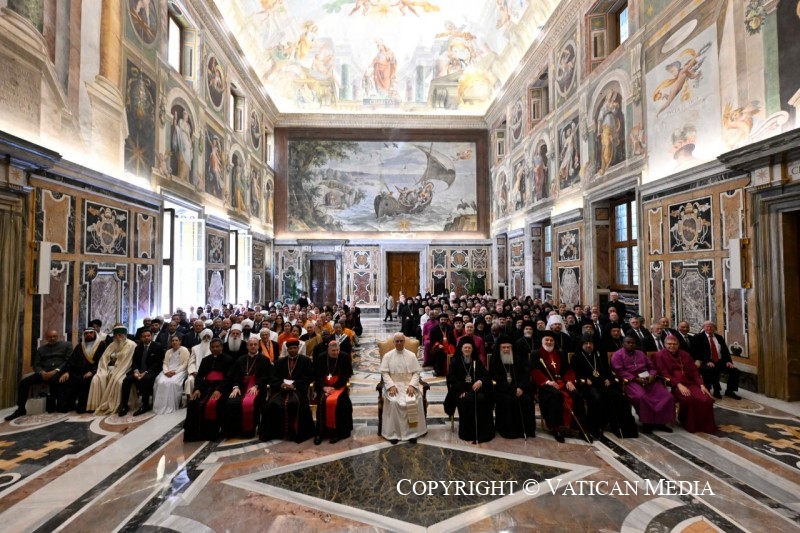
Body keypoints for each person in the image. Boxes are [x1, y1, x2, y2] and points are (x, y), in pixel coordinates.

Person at [572, 334, 637, 438]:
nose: (588, 345)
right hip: (588, 386)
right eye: (586, 343)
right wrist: (584, 378)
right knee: (596, 397)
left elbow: (608, 370)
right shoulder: (577, 357)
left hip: (602, 383)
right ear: (581, 345)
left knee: (620, 397)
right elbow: (575, 372)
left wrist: (609, 379)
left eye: (590, 343)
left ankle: (620, 426)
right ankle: (595, 426)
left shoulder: (599, 355)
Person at [611, 335, 676, 433]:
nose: (631, 344)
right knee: (641, 397)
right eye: (628, 343)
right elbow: (619, 371)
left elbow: (651, 367)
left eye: (633, 343)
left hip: (648, 380)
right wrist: (635, 379)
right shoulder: (617, 355)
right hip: (631, 381)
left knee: (667, 396)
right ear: (623, 344)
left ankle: (661, 423)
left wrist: (652, 375)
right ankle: (647, 423)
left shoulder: (640, 353)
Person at [530, 331, 587, 442]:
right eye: (547, 340)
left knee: (576, 394)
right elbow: (534, 371)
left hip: (562, 382)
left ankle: (580, 427)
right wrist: (547, 382)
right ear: (542, 341)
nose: (549, 342)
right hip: (546, 385)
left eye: (551, 340)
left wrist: (569, 381)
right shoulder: (535, 354)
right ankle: (555, 428)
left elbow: (568, 369)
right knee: (556, 395)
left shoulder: (560, 353)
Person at [653, 336, 717, 433]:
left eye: (674, 344)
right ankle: (690, 424)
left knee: (707, 399)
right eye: (669, 344)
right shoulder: (659, 355)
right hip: (673, 385)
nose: (672, 346)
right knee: (689, 399)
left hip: (690, 383)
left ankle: (705, 426)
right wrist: (678, 385)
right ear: (665, 344)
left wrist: (701, 385)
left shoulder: (685, 354)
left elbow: (694, 372)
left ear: (678, 345)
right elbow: (663, 373)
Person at [5, 330, 73, 420]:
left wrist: (56, 370)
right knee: (24, 382)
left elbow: (68, 361)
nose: (52, 338)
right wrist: (42, 372)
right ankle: (20, 409)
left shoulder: (67, 345)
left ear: (58, 336)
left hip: (59, 372)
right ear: (46, 338)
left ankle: (54, 407)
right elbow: (36, 364)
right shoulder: (41, 349)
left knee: (55, 380)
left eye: (54, 336)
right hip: (44, 373)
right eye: (50, 337)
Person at [262, 338, 315, 442]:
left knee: (294, 403)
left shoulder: (306, 361)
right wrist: (281, 384)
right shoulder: (279, 362)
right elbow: (273, 377)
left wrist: (294, 385)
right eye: (291, 348)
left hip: (297, 390)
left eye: (295, 348)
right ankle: (275, 432)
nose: (293, 350)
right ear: (287, 349)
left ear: (298, 348)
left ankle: (294, 433)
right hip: (281, 390)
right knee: (272, 403)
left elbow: (308, 376)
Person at [380, 333, 427, 443]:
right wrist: (391, 386)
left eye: (401, 341)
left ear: (404, 342)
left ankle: (412, 433)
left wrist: (412, 385)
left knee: (415, 400)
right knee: (394, 402)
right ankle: (393, 434)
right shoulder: (387, 356)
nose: (399, 343)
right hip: (394, 385)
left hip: (408, 384)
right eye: (397, 341)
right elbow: (384, 373)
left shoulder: (411, 355)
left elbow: (416, 373)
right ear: (393, 342)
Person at [444, 339, 494, 443]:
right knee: (467, 400)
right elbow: (451, 378)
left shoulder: (476, 361)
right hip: (461, 392)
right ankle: (468, 433)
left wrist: (480, 381)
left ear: (472, 350)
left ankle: (482, 432)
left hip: (475, 390)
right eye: (465, 348)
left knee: (482, 399)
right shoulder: (456, 361)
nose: (467, 349)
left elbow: (486, 375)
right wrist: (460, 390)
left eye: (469, 348)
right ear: (461, 349)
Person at [184, 338, 232, 441]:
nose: (215, 349)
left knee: (215, 404)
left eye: (217, 346)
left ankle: (212, 433)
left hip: (221, 388)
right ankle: (195, 434)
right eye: (213, 347)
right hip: (205, 387)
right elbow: (200, 376)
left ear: (221, 347)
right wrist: (197, 389)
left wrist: (219, 390)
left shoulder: (228, 359)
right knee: (193, 404)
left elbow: (228, 378)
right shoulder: (205, 360)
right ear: (210, 348)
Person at [488, 336, 536, 439]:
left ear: (511, 348)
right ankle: (508, 431)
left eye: (508, 347)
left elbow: (525, 375)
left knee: (527, 399)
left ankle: (526, 430)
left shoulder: (517, 359)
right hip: (502, 390)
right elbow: (497, 380)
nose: (506, 349)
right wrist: (512, 390)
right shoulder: (496, 361)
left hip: (518, 389)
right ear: (499, 348)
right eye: (503, 347)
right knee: (509, 400)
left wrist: (521, 387)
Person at [224, 337, 271, 438]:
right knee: (231, 402)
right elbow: (235, 375)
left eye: (255, 344)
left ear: (258, 346)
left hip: (258, 387)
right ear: (247, 346)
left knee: (253, 403)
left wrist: (256, 386)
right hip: (241, 387)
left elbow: (265, 376)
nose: (253, 346)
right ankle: (235, 431)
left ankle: (249, 431)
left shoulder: (264, 360)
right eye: (251, 344)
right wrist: (235, 387)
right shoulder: (240, 359)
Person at [87, 325, 137, 416]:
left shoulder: (131, 344)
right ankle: (95, 405)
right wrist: (105, 367)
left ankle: (120, 405)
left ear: (125, 335)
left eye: (120, 335)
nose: (118, 337)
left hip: (124, 368)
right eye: (116, 335)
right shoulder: (112, 344)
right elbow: (104, 358)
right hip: (109, 368)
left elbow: (127, 361)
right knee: (97, 378)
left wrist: (115, 366)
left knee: (119, 382)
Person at [313, 340, 354, 445]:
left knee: (341, 402)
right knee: (322, 401)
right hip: (324, 387)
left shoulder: (344, 356)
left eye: (337, 350)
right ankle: (320, 432)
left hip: (339, 386)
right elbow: (318, 375)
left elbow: (346, 375)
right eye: (333, 351)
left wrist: (334, 387)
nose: (335, 353)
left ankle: (338, 433)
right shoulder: (322, 357)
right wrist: (324, 387)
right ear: (328, 350)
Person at [118, 330, 166, 416]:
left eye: (148, 336)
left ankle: (145, 404)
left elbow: (157, 363)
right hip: (139, 371)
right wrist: (136, 371)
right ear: (141, 338)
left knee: (146, 379)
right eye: (144, 336)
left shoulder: (157, 346)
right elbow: (135, 362)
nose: (146, 338)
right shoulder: (138, 347)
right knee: (126, 380)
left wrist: (145, 372)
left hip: (152, 370)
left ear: (151, 336)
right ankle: (125, 405)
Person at [690, 321, 741, 400]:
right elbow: (696, 352)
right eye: (707, 326)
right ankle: (714, 390)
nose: (709, 328)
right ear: (704, 328)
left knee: (735, 371)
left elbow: (725, 351)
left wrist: (728, 361)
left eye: (711, 326)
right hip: (704, 361)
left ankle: (730, 391)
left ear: (714, 328)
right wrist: (707, 361)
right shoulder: (698, 337)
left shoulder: (719, 337)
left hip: (719, 361)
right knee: (711, 369)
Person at [59, 328, 106, 413]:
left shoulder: (101, 345)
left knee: (86, 380)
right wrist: (67, 372)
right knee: (66, 379)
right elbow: (72, 360)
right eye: (86, 333)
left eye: (91, 333)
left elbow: (102, 361)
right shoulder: (79, 346)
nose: (89, 335)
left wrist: (92, 371)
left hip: (93, 371)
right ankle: (69, 405)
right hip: (78, 371)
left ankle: (84, 406)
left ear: (95, 334)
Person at [152, 336, 191, 414]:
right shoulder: (168, 351)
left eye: (176, 340)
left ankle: (172, 404)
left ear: (180, 341)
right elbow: (165, 363)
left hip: (180, 371)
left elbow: (185, 363)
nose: (174, 342)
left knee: (172, 383)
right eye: (172, 340)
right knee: (160, 382)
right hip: (168, 370)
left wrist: (175, 372)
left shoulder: (184, 350)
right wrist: (166, 372)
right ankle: (160, 405)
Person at [185, 329, 214, 396]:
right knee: (190, 380)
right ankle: (190, 399)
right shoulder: (195, 348)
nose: (206, 339)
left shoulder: (213, 349)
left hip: (208, 372)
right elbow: (191, 362)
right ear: (201, 337)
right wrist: (193, 371)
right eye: (204, 336)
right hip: (196, 372)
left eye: (208, 337)